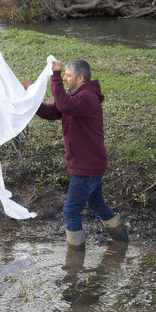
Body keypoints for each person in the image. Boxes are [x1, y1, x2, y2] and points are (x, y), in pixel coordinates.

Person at [36, 59, 128, 248]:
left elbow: (63, 106)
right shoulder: (76, 97)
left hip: (87, 166)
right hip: (91, 163)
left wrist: (55, 77)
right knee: (97, 205)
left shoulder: (86, 98)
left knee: (70, 211)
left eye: (68, 76)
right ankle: (122, 244)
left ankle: (75, 262)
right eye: (64, 76)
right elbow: (52, 112)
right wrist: (31, 99)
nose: (65, 79)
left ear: (80, 78)